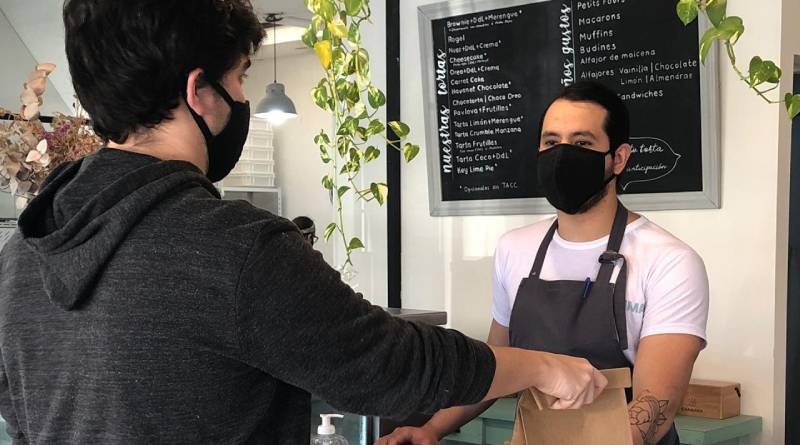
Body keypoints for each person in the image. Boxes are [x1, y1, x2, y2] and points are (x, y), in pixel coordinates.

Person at [0, 1, 607, 444]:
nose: (241, 98)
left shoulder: (22, 253)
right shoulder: (232, 248)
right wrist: (545, 365)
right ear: (200, 93)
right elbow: (389, 367)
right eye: (240, 78)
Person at [377, 82, 709, 445]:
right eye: (551, 142)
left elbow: (656, 405)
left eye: (582, 143)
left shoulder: (670, 261)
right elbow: (495, 366)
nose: (563, 156)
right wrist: (431, 429)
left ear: (619, 158)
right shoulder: (514, 249)